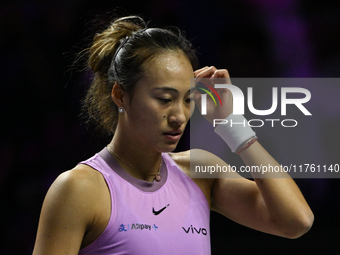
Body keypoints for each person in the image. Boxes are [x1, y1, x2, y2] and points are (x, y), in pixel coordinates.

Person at [32, 16, 314, 255]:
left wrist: (232, 124)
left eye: (188, 99)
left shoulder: (199, 172)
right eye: (164, 99)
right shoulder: (80, 189)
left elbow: (296, 221)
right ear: (120, 95)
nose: (179, 115)